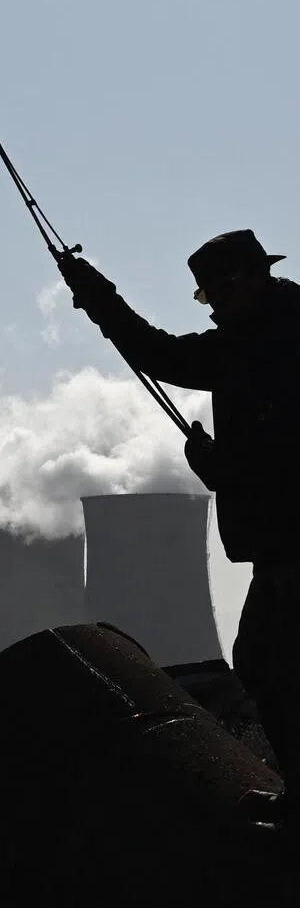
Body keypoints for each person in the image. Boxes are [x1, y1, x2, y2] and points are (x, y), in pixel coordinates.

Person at [60, 229, 300, 826]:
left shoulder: (267, 339)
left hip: (292, 541)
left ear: (242, 282)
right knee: (263, 664)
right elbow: (168, 359)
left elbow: (168, 359)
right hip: (280, 542)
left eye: (211, 296)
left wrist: (99, 298)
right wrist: (96, 295)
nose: (210, 309)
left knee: (272, 667)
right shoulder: (260, 332)